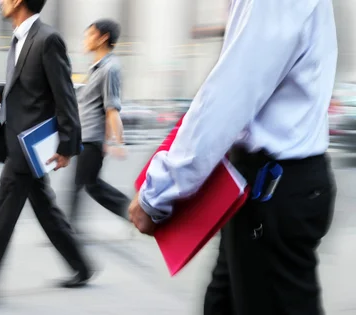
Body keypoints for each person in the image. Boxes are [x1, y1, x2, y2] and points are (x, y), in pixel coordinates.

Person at [128, 0, 337, 314]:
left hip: (273, 189)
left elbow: (228, 97)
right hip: (263, 186)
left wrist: (157, 193)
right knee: (220, 304)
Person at [0, 0, 93, 310]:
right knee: (46, 211)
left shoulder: (47, 38)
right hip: (18, 143)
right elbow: (30, 85)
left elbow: (64, 95)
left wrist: (67, 146)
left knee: (1, 215)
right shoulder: (20, 37)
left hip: (29, 148)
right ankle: (82, 265)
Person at [67, 19, 131, 233]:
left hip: (92, 139)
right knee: (81, 184)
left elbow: (112, 108)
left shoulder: (110, 68)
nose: (85, 39)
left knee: (91, 185)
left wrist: (117, 141)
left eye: (90, 34)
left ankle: (133, 213)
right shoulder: (96, 68)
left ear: (103, 38)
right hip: (85, 137)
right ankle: (70, 226)